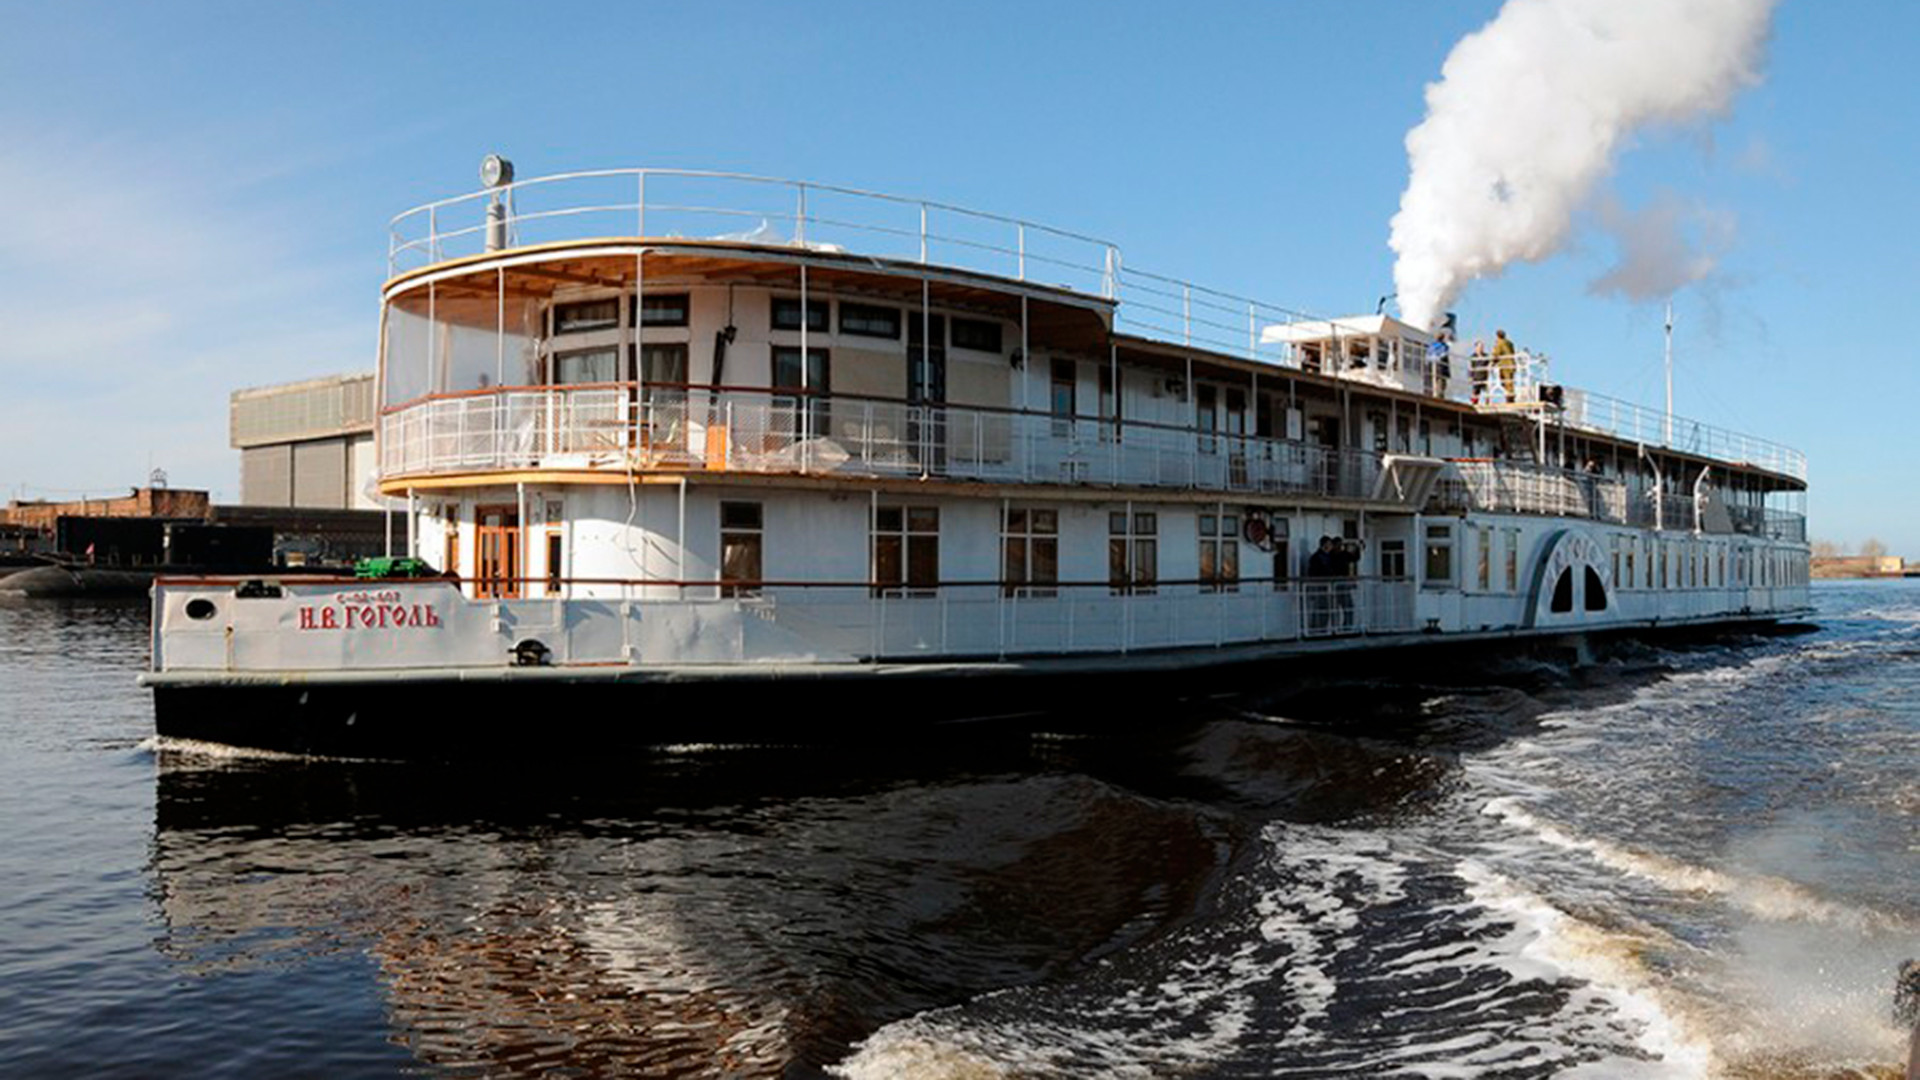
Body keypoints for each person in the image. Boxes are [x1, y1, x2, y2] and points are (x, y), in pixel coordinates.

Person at [1493, 329, 1517, 401]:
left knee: (1505, 382)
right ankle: (1510, 397)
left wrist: (1492, 362)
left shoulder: (1500, 343)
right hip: (1512, 364)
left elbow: (1496, 354)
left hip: (1504, 365)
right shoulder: (1510, 343)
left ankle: (1509, 398)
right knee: (1510, 382)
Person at [1469, 339, 1489, 403]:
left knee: (1487, 392)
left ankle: (1487, 403)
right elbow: (1471, 367)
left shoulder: (1486, 356)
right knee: (1475, 392)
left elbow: (1489, 364)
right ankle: (1474, 403)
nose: (1481, 348)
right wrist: (1471, 377)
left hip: (1485, 377)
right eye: (1480, 347)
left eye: (1482, 347)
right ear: (1476, 347)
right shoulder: (1473, 356)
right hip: (1476, 377)